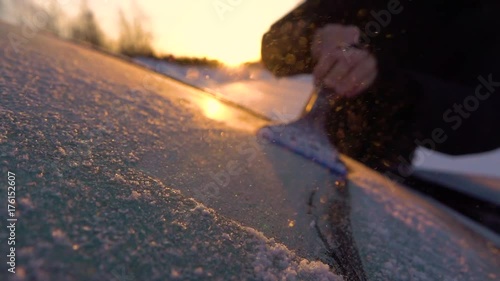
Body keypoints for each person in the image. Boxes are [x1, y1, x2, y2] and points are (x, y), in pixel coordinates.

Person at [261, 0, 500, 173]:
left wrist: (395, 88)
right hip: (291, 152)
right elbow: (273, 46)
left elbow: (488, 121)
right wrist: (314, 36)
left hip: (382, 178)